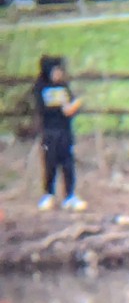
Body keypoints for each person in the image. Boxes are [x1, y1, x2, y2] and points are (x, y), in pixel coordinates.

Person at [33, 55, 86, 212]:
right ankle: (49, 194)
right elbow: (43, 109)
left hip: (65, 132)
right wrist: (60, 109)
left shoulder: (64, 86)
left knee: (68, 164)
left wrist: (74, 107)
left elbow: (71, 104)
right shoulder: (41, 88)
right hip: (50, 132)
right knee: (50, 164)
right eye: (56, 71)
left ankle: (70, 195)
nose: (59, 74)